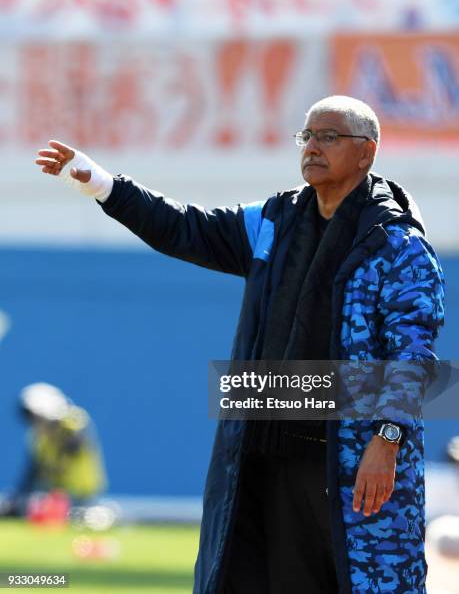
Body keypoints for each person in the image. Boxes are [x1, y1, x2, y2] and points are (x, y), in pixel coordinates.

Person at [35, 95, 445, 593]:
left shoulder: (398, 244)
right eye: (307, 136)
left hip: (350, 457)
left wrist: (388, 439)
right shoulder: (274, 220)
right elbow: (188, 227)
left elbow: (413, 355)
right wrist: (105, 185)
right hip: (264, 453)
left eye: (329, 137)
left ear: (368, 152)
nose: (312, 147)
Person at [6, 382, 106, 515]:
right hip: (56, 499)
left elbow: (75, 446)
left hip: (85, 499)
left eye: (36, 417)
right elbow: (31, 473)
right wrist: (17, 498)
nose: (35, 423)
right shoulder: (38, 439)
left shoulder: (75, 424)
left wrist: (53, 426)